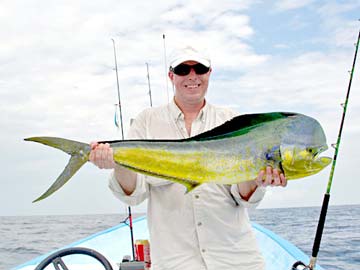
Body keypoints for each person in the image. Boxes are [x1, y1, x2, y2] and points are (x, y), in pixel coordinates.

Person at [90, 45, 287, 270]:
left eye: (199, 69)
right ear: (171, 76)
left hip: (236, 258)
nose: (192, 76)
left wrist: (256, 179)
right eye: (183, 69)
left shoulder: (232, 121)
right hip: (175, 261)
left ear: (209, 73)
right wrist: (118, 164)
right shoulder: (147, 121)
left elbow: (243, 198)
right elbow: (134, 195)